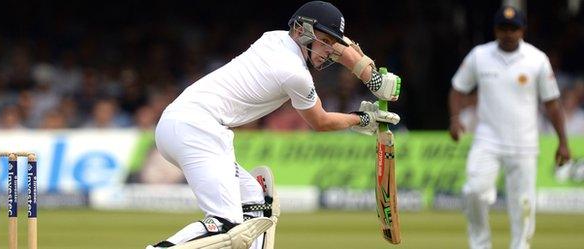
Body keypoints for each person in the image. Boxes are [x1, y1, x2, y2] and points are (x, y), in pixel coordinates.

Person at [147, 1, 402, 249]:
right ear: (303, 31)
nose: (330, 51)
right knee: (226, 225)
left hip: (182, 124)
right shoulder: (294, 73)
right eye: (325, 42)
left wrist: (373, 79)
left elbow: (339, 46)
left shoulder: (274, 38)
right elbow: (321, 122)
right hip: (198, 128)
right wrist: (364, 118)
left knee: (256, 202)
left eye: (333, 44)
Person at [448, 6, 571, 249]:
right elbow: (458, 89)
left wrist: (563, 142)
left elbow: (553, 105)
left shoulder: (537, 59)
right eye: (503, 28)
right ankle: (480, 244)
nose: (508, 33)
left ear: (522, 30)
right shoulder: (479, 55)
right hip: (487, 140)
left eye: (513, 28)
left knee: (523, 206)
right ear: (495, 29)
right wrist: (455, 118)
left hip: (524, 144)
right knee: (474, 191)